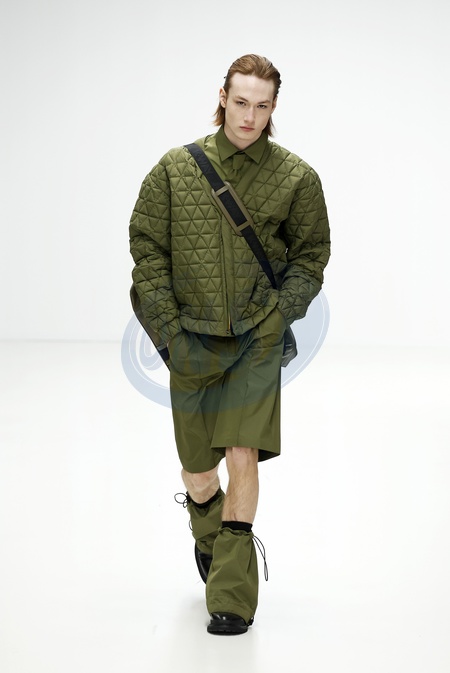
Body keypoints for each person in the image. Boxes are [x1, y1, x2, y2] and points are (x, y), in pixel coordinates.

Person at [129, 54, 330, 635]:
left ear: (274, 107)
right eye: (240, 102)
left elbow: (311, 255)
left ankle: (232, 597)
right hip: (190, 337)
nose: (250, 117)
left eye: (262, 106)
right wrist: (168, 329)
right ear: (223, 97)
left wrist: (278, 316)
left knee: (243, 451)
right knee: (198, 471)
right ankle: (209, 532)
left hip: (255, 339)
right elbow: (146, 245)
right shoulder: (175, 168)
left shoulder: (296, 177)